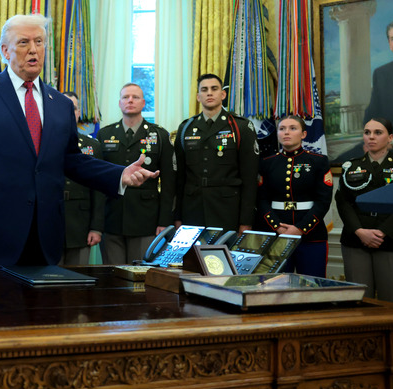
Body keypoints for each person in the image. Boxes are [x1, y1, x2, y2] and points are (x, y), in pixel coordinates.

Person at [0, 14, 157, 267]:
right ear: (5, 50)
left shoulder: (61, 104)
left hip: (43, 236)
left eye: (40, 42)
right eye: (23, 42)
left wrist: (119, 175)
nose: (34, 49)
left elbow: (71, 160)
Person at [96, 83, 175, 264]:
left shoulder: (159, 135)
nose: (130, 100)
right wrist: (97, 225)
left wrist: (164, 222)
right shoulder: (105, 134)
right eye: (125, 97)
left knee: (141, 278)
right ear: (119, 103)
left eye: (135, 97)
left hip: (145, 220)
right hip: (112, 218)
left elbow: (169, 183)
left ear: (143, 103)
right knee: (113, 276)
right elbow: (98, 181)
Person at [174, 73, 259, 233]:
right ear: (198, 96)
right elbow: (180, 178)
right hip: (193, 211)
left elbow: (250, 179)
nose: (209, 93)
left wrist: (246, 221)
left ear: (223, 94)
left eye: (214, 89)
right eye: (204, 90)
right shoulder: (186, 128)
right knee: (192, 258)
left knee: (223, 257)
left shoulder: (240, 127)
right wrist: (177, 216)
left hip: (227, 211)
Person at [336, 118, 393, 303]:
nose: (371, 137)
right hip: (356, 240)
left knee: (391, 301)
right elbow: (343, 203)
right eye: (367, 132)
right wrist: (360, 232)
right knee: (358, 301)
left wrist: (383, 232)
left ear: (390, 137)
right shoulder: (351, 166)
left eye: (378, 132)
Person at [256, 115, 332, 277]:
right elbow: (261, 200)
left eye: (293, 128)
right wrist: (276, 226)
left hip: (311, 235)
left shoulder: (318, 161)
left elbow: (323, 201)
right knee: (276, 287)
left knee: (312, 285)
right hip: (277, 233)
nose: (286, 133)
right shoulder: (267, 163)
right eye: (282, 129)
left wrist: (300, 229)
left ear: (303, 134)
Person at [59, 91, 104, 265]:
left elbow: (99, 190)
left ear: (79, 113)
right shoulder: (41, 142)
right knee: (47, 283)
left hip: (81, 225)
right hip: (50, 223)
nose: (70, 112)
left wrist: (96, 227)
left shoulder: (92, 146)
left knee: (78, 283)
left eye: (74, 108)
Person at [364, 15, 393, 149]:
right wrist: (371, 139)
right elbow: (372, 113)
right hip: (383, 146)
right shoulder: (381, 73)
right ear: (390, 44)